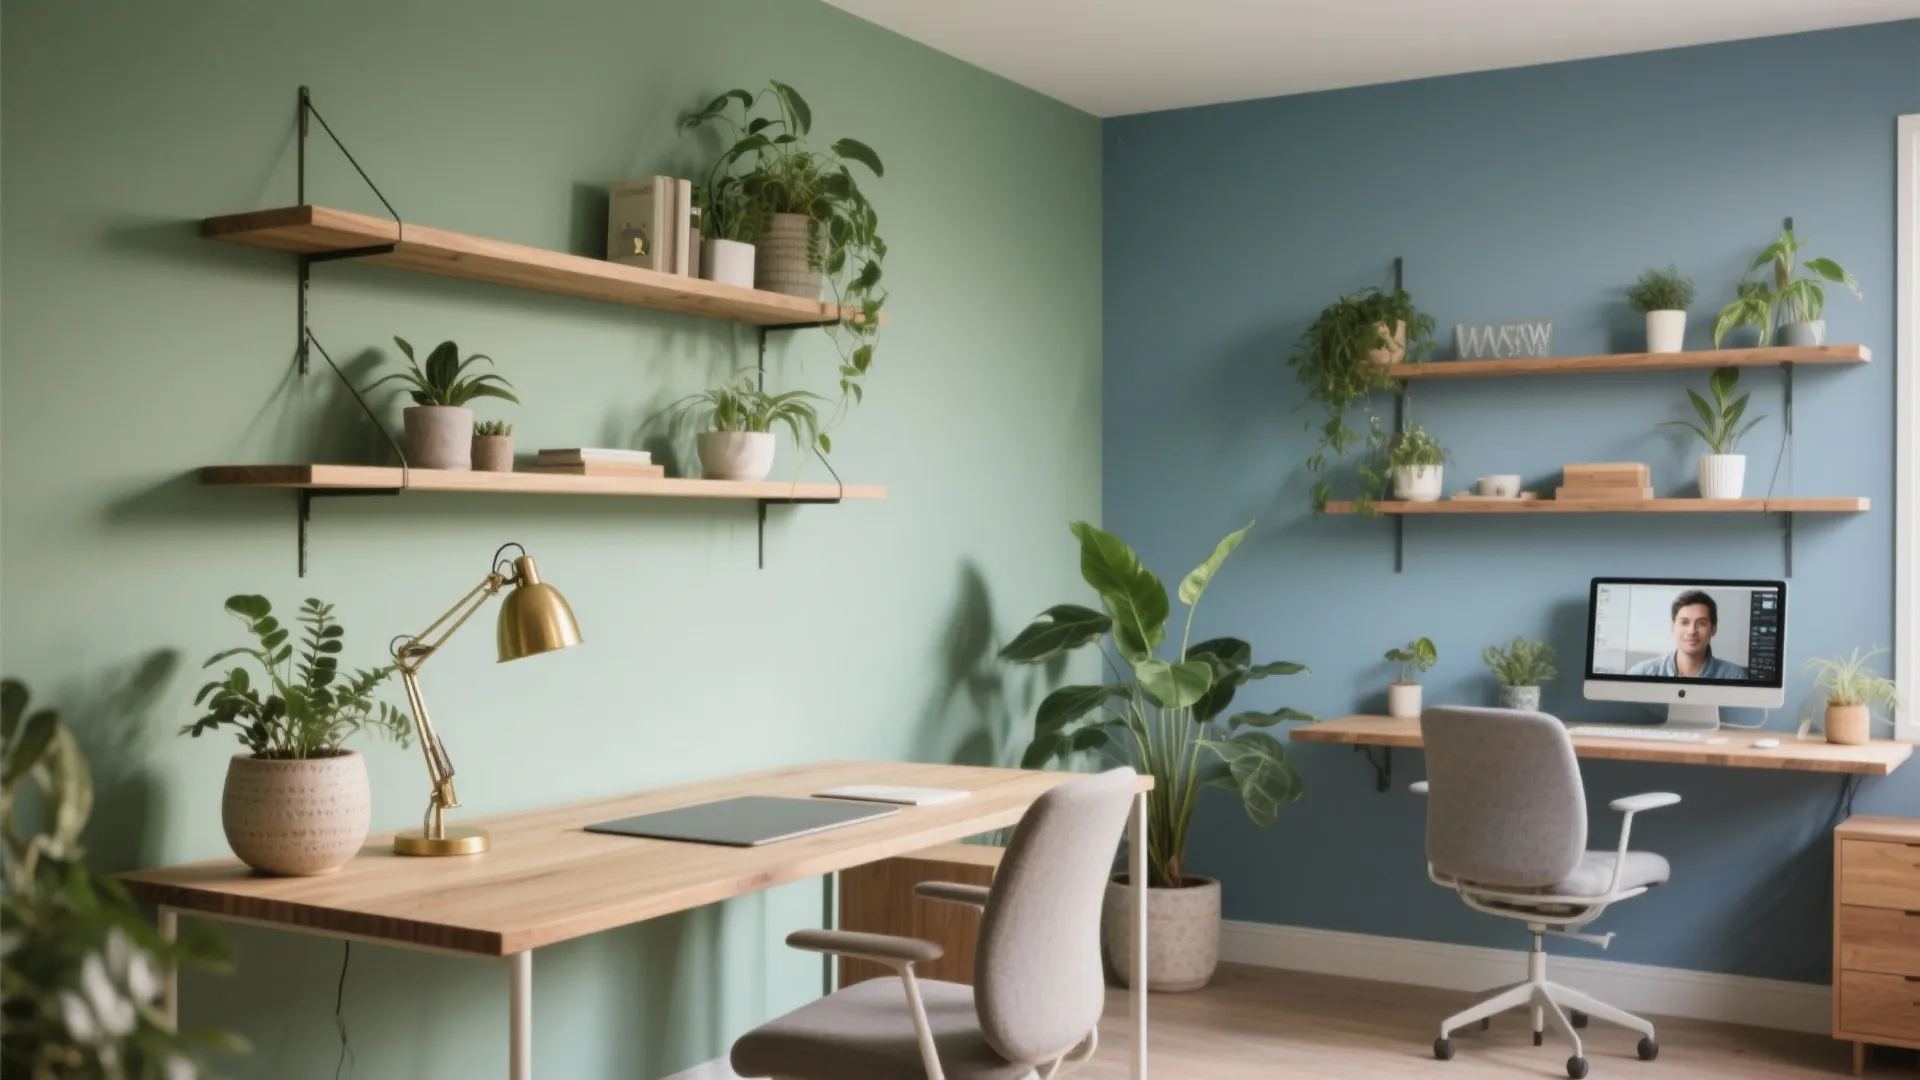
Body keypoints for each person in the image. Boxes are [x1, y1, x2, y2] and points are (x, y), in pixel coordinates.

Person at [1628, 589, 1747, 679]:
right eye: (1684, 622)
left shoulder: (1734, 676)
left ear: (1713, 629)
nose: (1692, 631)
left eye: (1701, 623)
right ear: (1673, 627)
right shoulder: (1642, 673)